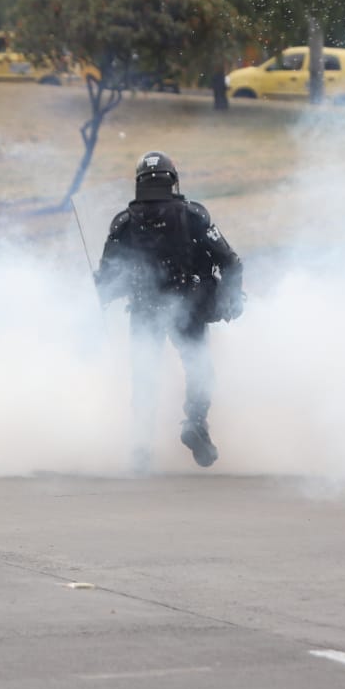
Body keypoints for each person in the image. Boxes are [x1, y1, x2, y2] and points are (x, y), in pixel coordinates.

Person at [95, 151, 245, 471]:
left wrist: (100, 290)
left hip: (144, 309)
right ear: (172, 180)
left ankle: (141, 446)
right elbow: (230, 261)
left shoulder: (123, 223)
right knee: (198, 368)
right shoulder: (193, 215)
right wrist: (232, 298)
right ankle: (195, 423)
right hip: (188, 305)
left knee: (144, 376)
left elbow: (108, 278)